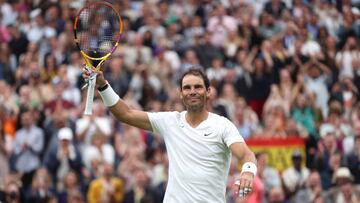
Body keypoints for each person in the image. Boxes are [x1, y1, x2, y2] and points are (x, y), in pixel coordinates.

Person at [83, 67, 257, 202]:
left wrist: (248, 172)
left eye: (198, 87)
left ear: (208, 92)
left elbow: (246, 154)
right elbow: (125, 114)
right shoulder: (170, 121)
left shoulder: (222, 125)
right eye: (187, 88)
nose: (193, 91)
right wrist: (102, 85)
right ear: (181, 94)